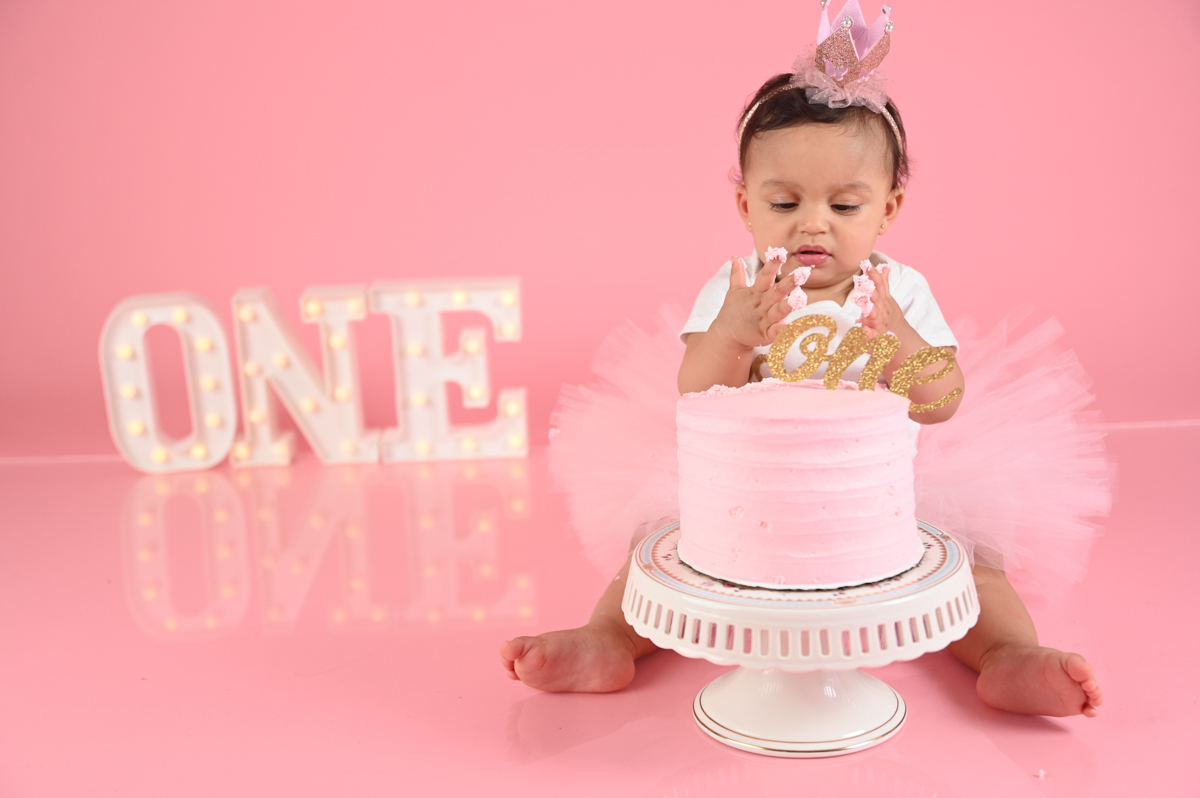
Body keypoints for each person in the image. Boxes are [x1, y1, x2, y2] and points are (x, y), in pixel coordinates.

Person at [501, 1, 1107, 718]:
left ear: (889, 208)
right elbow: (694, 397)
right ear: (745, 205)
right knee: (657, 549)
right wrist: (732, 334)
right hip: (748, 497)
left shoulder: (899, 291)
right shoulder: (740, 292)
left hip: (889, 493)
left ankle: (1008, 655)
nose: (813, 222)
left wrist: (900, 343)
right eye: (784, 201)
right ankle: (607, 639)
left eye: (845, 206)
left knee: (975, 563)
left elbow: (942, 401)